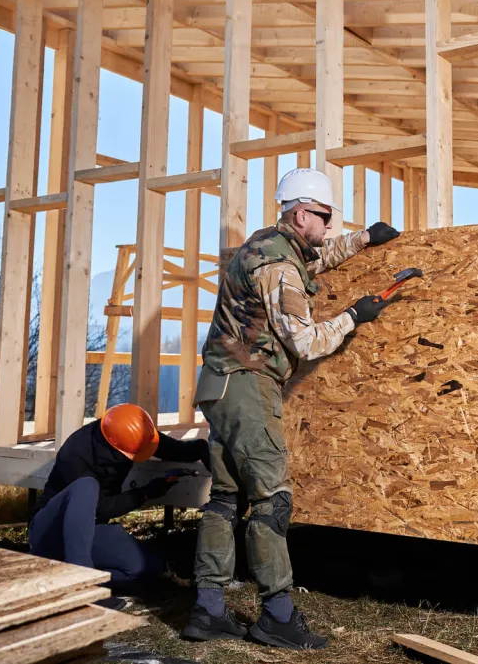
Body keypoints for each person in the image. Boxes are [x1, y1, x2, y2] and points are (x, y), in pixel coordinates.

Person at [182, 168, 400, 649]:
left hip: (218, 388)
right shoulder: (278, 268)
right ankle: (277, 617)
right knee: (271, 501)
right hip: (247, 387)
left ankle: (209, 610)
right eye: (324, 217)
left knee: (224, 498)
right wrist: (352, 317)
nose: (327, 226)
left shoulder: (268, 246)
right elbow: (303, 340)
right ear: (302, 213)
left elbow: (315, 262)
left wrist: (364, 239)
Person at [29, 403, 208, 604]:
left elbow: (173, 449)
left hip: (91, 532)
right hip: (50, 532)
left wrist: (203, 449)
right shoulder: (76, 453)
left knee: (146, 568)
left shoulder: (126, 432)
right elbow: (99, 507)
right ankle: (83, 589)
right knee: (86, 487)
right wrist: (144, 494)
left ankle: (59, 579)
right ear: (115, 448)